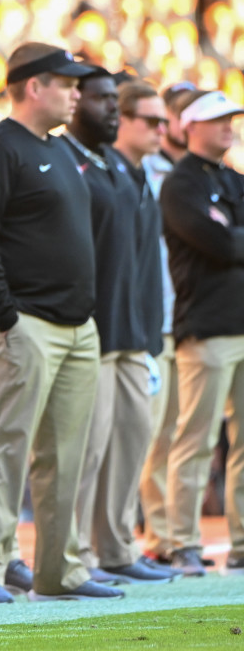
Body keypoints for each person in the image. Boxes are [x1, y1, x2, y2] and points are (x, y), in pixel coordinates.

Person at [0, 42, 121, 604]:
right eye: (66, 83)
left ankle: (60, 570)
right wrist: (7, 317)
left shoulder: (58, 149)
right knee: (7, 447)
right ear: (33, 86)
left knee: (65, 454)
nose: (76, 93)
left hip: (76, 326)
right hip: (26, 323)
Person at [61, 69, 176, 585]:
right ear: (124, 120)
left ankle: (116, 546)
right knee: (89, 450)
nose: (160, 130)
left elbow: (145, 265)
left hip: (134, 333)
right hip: (97, 330)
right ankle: (78, 553)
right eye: (150, 120)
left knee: (131, 443)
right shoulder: (85, 166)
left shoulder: (133, 174)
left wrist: (150, 333)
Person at [159, 89, 244, 576]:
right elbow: (214, 242)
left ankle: (240, 541)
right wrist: (230, 236)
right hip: (207, 327)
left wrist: (231, 236)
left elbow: (228, 239)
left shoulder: (231, 178)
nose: (228, 126)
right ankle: (183, 541)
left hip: (237, 322)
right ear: (189, 126)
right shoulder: (180, 183)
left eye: (230, 118)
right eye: (217, 120)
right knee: (196, 438)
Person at [137, 82, 196, 564]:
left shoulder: (196, 174)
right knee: (155, 433)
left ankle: (179, 533)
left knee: (184, 430)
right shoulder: (145, 170)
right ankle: (161, 536)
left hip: (190, 313)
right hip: (156, 314)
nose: (163, 128)